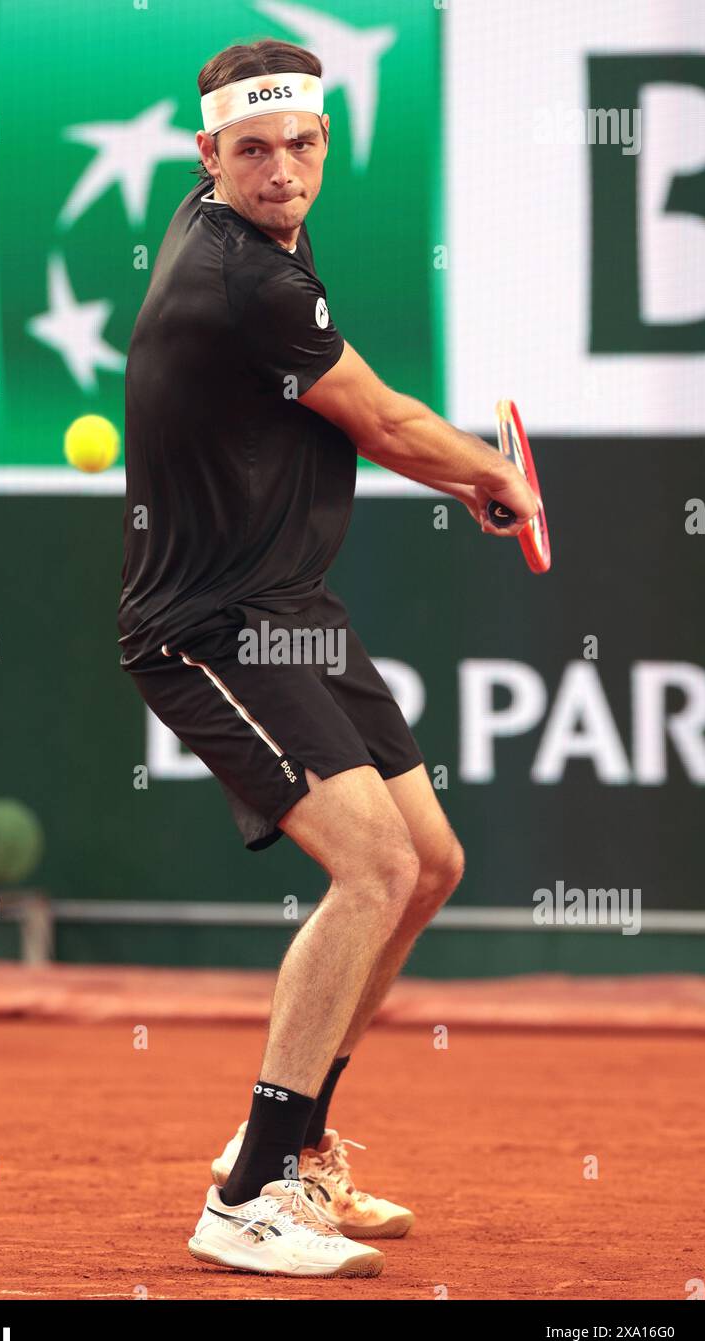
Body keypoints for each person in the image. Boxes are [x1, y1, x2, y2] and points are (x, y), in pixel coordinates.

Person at [117, 38, 536, 1278]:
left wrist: (460, 472)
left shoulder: (267, 243)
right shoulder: (244, 277)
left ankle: (300, 1148)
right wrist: (486, 474)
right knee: (371, 866)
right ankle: (244, 1193)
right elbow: (384, 417)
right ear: (207, 156)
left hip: (285, 599)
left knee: (429, 865)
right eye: (253, 150)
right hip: (202, 624)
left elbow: (355, 408)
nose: (282, 170)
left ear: (323, 140)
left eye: (301, 144)